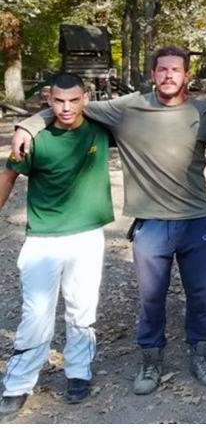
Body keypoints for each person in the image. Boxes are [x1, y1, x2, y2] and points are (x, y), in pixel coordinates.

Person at [11, 47, 206, 396]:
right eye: (162, 69)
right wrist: (28, 124)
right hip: (150, 225)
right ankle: (150, 359)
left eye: (175, 70)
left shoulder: (203, 111)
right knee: (151, 298)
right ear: (152, 73)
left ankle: (201, 355)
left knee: (199, 295)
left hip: (195, 221)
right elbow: (71, 105)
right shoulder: (127, 108)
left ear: (187, 75)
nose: (168, 76)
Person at [0, 74, 113, 421]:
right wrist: (29, 125)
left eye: (74, 100)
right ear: (49, 100)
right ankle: (17, 385)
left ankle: (78, 372)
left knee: (82, 310)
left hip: (87, 236)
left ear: (86, 98)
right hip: (43, 238)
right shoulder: (34, 139)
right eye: (59, 101)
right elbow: (8, 176)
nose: (66, 108)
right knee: (36, 315)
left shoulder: (101, 126)